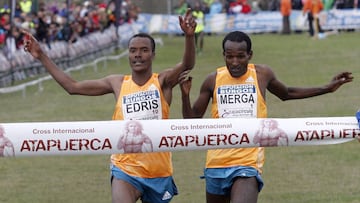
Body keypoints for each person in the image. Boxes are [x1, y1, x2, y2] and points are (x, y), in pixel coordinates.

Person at [23, 8, 197, 203]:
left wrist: (189, 37)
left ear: (153, 55)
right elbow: (72, 87)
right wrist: (41, 56)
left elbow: (187, 65)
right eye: (133, 50)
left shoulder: (163, 81)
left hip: (158, 170)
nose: (137, 55)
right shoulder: (118, 83)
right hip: (125, 168)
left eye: (144, 50)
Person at [178, 31, 353, 203]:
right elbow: (191, 121)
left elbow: (287, 93)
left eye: (241, 56)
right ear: (223, 55)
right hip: (216, 164)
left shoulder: (261, 75)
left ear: (250, 55)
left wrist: (327, 88)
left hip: (247, 163)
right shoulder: (213, 80)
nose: (235, 62)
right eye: (229, 56)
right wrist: (185, 96)